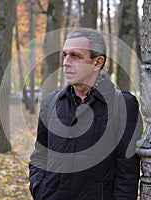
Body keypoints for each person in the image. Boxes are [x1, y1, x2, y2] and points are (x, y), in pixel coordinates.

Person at [29, 28, 141, 200]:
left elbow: (127, 173)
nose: (66, 62)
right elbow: (40, 155)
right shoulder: (50, 102)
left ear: (97, 62)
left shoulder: (123, 105)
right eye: (64, 55)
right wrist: (40, 190)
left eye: (75, 56)